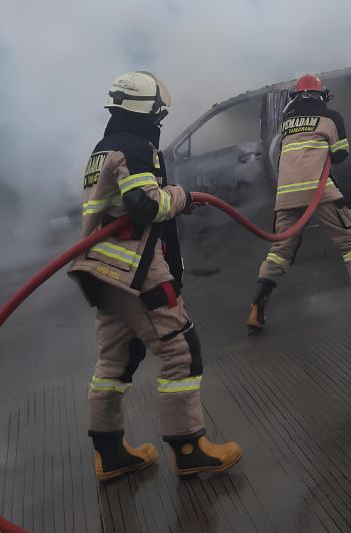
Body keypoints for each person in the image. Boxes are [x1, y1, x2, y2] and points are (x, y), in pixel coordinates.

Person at [69, 72, 241, 481]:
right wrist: (181, 196)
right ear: (146, 110)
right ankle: (189, 448)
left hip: (103, 271)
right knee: (181, 351)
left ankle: (109, 455)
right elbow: (143, 206)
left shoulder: (101, 149)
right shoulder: (134, 146)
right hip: (136, 269)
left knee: (115, 360)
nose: (161, 119)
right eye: (159, 111)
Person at [246, 74, 351, 334]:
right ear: (321, 94)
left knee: (280, 250)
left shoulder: (287, 122)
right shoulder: (331, 117)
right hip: (318, 190)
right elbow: (340, 154)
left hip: (286, 195)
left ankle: (256, 309)